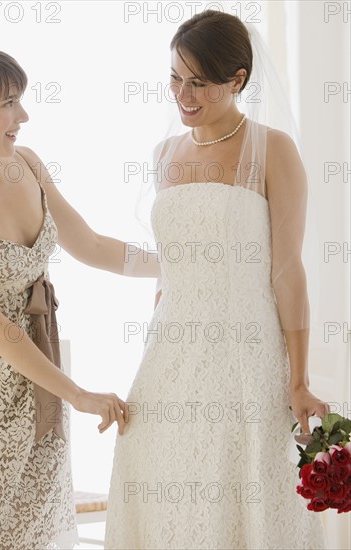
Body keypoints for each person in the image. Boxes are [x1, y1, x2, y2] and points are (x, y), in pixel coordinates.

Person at [104, 10, 330, 549]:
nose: (183, 94)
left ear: (238, 81)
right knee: (160, 482)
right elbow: (172, 268)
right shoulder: (164, 155)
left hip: (245, 352)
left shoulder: (273, 149)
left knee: (239, 489)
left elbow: (286, 269)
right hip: (171, 353)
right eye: (175, 79)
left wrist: (297, 380)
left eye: (198, 83)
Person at [0, 44, 159, 549]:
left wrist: (184, 265)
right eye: (9, 103)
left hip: (39, 399)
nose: (23, 116)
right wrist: (80, 395)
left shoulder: (27, 163)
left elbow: (92, 246)